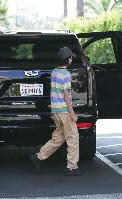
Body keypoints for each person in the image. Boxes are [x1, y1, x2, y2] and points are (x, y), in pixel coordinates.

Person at [30, 47, 84, 176]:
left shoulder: (54, 72)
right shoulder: (65, 74)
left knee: (58, 138)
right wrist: (72, 113)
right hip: (65, 111)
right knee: (73, 138)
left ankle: (38, 156)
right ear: (68, 59)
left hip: (56, 111)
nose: (72, 59)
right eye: (71, 57)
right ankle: (72, 167)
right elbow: (66, 94)